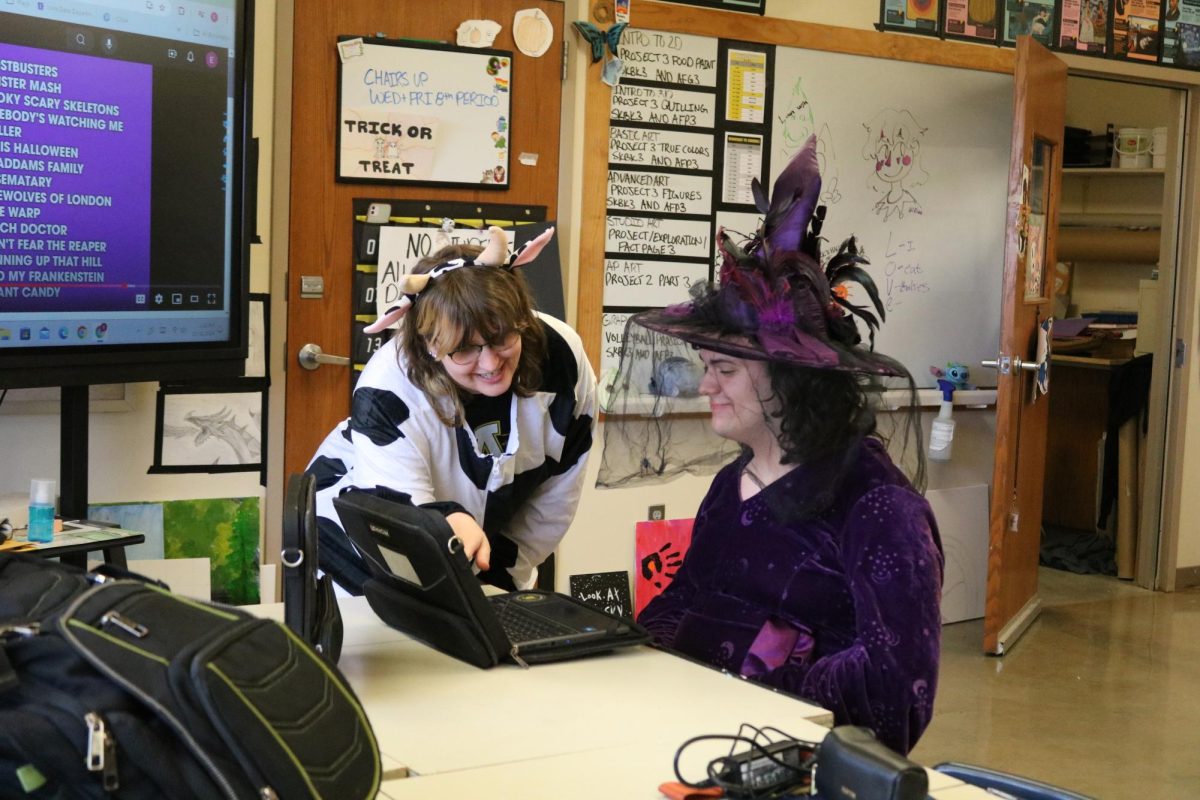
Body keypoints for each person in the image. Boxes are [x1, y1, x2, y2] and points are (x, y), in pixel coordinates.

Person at [628, 137, 943, 755]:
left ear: (791, 379)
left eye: (724, 369)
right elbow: (686, 600)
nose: (704, 385)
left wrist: (750, 664)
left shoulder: (879, 511)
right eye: (707, 365)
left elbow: (896, 698)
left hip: (797, 766)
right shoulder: (733, 483)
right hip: (693, 738)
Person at [307, 226, 597, 594]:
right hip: (358, 543)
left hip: (471, 536)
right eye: (464, 350)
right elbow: (396, 515)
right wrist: (445, 521)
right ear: (430, 344)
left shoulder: (563, 360)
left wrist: (501, 581)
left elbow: (557, 494)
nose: (491, 363)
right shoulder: (389, 384)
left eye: (503, 338)